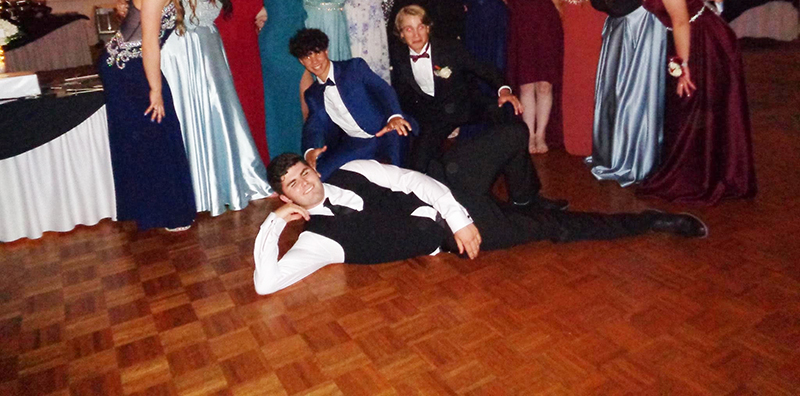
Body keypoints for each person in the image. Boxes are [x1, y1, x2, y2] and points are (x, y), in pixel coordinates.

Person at [253, 126, 708, 296]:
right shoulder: (318, 242)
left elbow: (412, 180)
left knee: (511, 134)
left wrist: (457, 214)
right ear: (286, 198)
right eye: (293, 184)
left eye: (303, 172)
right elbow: (266, 282)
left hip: (450, 198)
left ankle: (526, 195)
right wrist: (272, 226)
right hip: (453, 237)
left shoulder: (352, 169)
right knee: (550, 229)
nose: (306, 181)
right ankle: (650, 222)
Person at [624, 0, 756, 204]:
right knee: (688, 110)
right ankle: (693, 173)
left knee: (697, 106)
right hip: (688, 38)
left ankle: (704, 178)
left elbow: (681, 20)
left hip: (704, 40)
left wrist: (683, 66)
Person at [388, 4, 560, 208]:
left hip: (465, 104)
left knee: (508, 118)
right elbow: (396, 93)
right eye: (409, 29)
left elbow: (484, 69)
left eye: (421, 27)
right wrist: (394, 116)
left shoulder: (449, 48)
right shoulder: (398, 58)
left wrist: (504, 90)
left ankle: (525, 196)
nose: (416, 34)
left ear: (428, 28)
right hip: (434, 116)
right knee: (417, 164)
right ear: (400, 34)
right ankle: (419, 210)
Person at [160, 0, 271, 216]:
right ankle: (196, 191)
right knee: (194, 120)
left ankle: (222, 185)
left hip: (210, 52)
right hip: (184, 55)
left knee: (219, 120)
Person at [98, 0, 196, 231]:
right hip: (128, 67)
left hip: (130, 64)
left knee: (149, 136)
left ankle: (152, 208)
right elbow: (149, 41)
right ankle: (166, 212)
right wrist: (155, 89)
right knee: (157, 131)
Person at [573, 0, 668, 187]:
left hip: (642, 34)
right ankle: (614, 154)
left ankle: (637, 160)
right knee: (612, 96)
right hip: (618, 33)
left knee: (633, 99)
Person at [289, 28, 414, 181]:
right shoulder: (312, 94)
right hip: (357, 142)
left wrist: (394, 116)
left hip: (387, 130)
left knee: (398, 176)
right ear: (301, 61)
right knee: (319, 176)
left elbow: (383, 90)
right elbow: (313, 126)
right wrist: (309, 151)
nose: (314, 61)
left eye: (317, 52)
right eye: (307, 56)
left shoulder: (353, 67)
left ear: (326, 51)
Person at [497, 0, 564, 154]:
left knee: (544, 85)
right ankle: (527, 135)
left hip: (545, 26)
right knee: (525, 87)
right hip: (520, 28)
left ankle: (540, 134)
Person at [541, 0, 606, 157]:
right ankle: (580, 140)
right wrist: (563, 14)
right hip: (572, 24)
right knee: (577, 82)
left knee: (599, 79)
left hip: (598, 17)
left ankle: (604, 140)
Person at [215, 0, 270, 164]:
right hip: (225, 51)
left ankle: (258, 168)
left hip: (249, 52)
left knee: (253, 111)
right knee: (231, 112)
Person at [260, 0, 307, 157]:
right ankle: (281, 158)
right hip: (274, 45)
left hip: (300, 42)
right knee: (279, 102)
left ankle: (304, 154)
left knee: (304, 102)